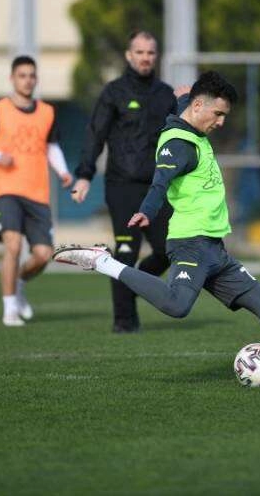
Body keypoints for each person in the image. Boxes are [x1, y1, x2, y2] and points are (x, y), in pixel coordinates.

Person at [54, 71, 260, 386]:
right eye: (218, 114)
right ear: (199, 106)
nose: (221, 122)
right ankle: (104, 261)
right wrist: (147, 211)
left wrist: (183, 97)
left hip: (214, 249)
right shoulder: (178, 145)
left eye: (225, 115)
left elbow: (188, 108)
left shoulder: (193, 121)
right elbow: (160, 182)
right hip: (190, 243)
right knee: (177, 305)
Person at [70, 30, 178, 333]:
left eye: (150, 52)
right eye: (139, 52)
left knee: (168, 250)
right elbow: (95, 135)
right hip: (122, 186)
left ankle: (134, 283)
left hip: (156, 189)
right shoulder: (114, 92)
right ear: (129, 56)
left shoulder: (166, 95)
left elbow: (178, 139)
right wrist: (84, 175)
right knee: (127, 251)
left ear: (156, 56)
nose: (145, 58)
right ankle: (125, 321)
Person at [0, 56, 73, 327]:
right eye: (22, 75)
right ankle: (10, 308)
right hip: (6, 190)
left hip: (38, 193)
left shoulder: (47, 112)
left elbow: (52, 147)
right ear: (12, 78)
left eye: (31, 75)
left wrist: (62, 171)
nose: (27, 80)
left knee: (43, 255)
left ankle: (20, 283)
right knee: (12, 245)